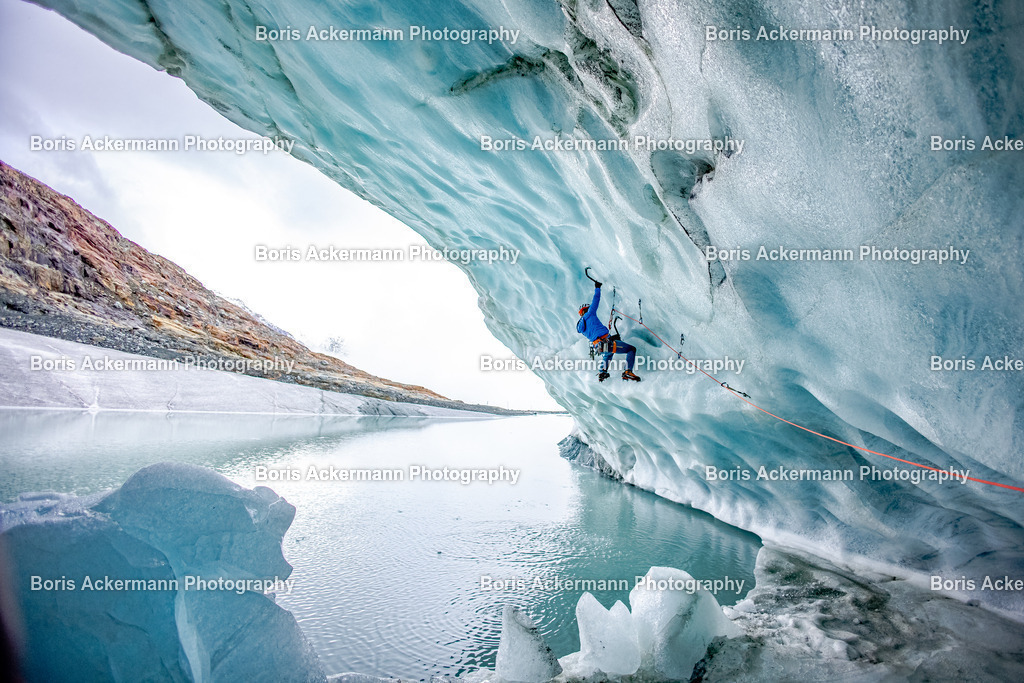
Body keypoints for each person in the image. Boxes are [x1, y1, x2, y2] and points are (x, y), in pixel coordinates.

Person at [576, 279, 641, 382]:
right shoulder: (590, 314)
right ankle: (627, 371)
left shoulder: (581, 328)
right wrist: (597, 288)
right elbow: (596, 300)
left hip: (600, 346)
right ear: (585, 310)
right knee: (631, 349)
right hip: (607, 343)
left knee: (608, 354)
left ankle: (602, 372)